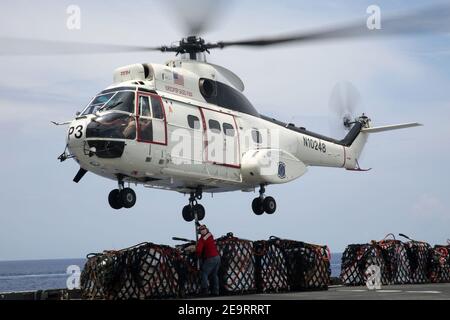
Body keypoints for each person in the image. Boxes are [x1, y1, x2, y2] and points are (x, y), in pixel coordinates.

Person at [196, 224, 221, 296]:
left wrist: (198, 256)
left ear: (200, 232)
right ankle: (216, 291)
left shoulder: (202, 240)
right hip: (217, 257)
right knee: (214, 274)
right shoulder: (210, 235)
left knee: (204, 273)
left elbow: (198, 250)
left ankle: (205, 290)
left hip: (211, 258)